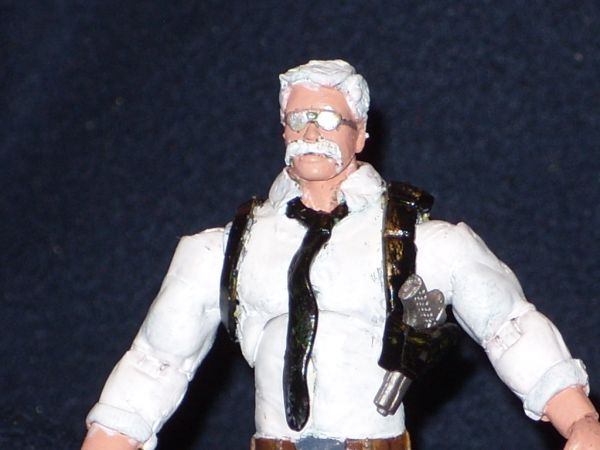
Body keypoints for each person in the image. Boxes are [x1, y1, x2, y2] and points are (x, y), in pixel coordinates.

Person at [81, 60, 600, 450]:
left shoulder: (421, 243)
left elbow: (508, 326)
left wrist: (580, 420)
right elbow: (157, 361)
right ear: (283, 129)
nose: (311, 133)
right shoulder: (225, 249)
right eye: (299, 118)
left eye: (329, 119)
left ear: (361, 132)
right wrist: (109, 437)